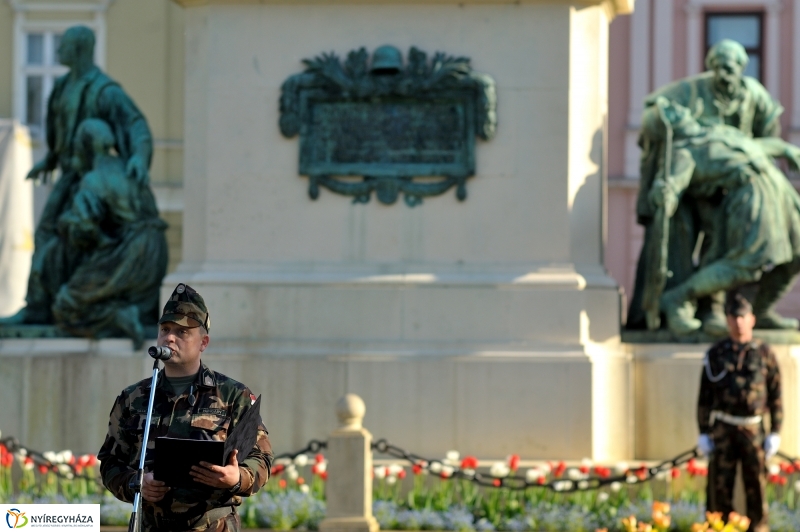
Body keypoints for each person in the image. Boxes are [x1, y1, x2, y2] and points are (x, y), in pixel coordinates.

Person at [627, 39, 784, 333]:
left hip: (741, 187)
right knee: (714, 245)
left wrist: (781, 151)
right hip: (700, 188)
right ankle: (689, 306)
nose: (725, 73)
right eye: (719, 67)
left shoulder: (752, 97)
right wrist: (667, 123)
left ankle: (744, 309)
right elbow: (654, 116)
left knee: (744, 248)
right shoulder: (691, 102)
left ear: (742, 68)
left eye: (731, 67)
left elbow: (767, 134)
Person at [0, 25, 153, 325]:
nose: (59, 50)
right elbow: (58, 129)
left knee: (71, 238)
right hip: (69, 174)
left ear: (80, 49)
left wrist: (138, 155)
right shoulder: (61, 86)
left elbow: (135, 124)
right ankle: (37, 307)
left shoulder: (105, 90)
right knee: (46, 234)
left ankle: (66, 306)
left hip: (91, 177)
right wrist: (50, 160)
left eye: (65, 45)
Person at [98, 284, 272, 532]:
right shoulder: (134, 397)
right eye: (165, 330)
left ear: (203, 342)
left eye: (182, 332)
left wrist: (237, 478)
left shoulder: (234, 395)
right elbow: (110, 462)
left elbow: (261, 458)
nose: (170, 338)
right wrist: (136, 483)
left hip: (212, 526)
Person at [641, 98, 800, 334]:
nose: (679, 108)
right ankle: (678, 297)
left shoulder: (716, 131)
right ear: (667, 128)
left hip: (779, 190)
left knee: (797, 256)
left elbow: (754, 146)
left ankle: (760, 309)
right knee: (746, 264)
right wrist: (664, 192)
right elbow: (672, 183)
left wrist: (786, 149)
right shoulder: (684, 151)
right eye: (670, 112)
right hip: (750, 194)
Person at [50, 118, 168, 348]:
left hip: (131, 252)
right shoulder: (130, 167)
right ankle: (129, 312)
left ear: (84, 147)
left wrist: (66, 224)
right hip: (157, 250)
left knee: (66, 306)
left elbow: (85, 226)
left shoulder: (93, 180)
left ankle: (118, 316)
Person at [696, 292, 782, 532]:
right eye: (734, 317)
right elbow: (704, 397)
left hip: (753, 429)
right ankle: (718, 528)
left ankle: (759, 528)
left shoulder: (765, 353)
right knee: (720, 488)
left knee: (756, 486)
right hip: (723, 429)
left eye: (743, 317)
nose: (739, 322)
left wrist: (775, 431)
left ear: (752, 319)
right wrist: (703, 432)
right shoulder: (716, 353)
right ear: (727, 320)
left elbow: (775, 395)